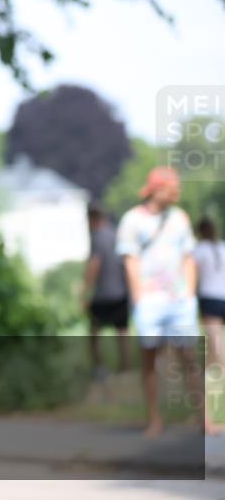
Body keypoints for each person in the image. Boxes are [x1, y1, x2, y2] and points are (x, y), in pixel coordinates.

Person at [116, 166, 211, 437]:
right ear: (157, 189)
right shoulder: (132, 220)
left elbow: (188, 257)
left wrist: (190, 293)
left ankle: (204, 418)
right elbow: (130, 260)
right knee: (150, 360)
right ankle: (155, 420)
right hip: (150, 302)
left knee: (190, 359)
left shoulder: (179, 218)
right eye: (173, 187)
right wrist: (140, 298)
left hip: (179, 301)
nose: (177, 192)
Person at [82, 204, 129, 378]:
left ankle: (99, 369)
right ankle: (125, 368)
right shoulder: (116, 234)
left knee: (93, 336)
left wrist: (85, 292)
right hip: (121, 293)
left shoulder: (97, 237)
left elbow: (94, 264)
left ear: (91, 219)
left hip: (102, 295)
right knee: (122, 334)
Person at [196, 218, 225, 377]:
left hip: (210, 298)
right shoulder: (222, 247)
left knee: (214, 340)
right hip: (222, 296)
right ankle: (210, 370)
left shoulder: (199, 250)